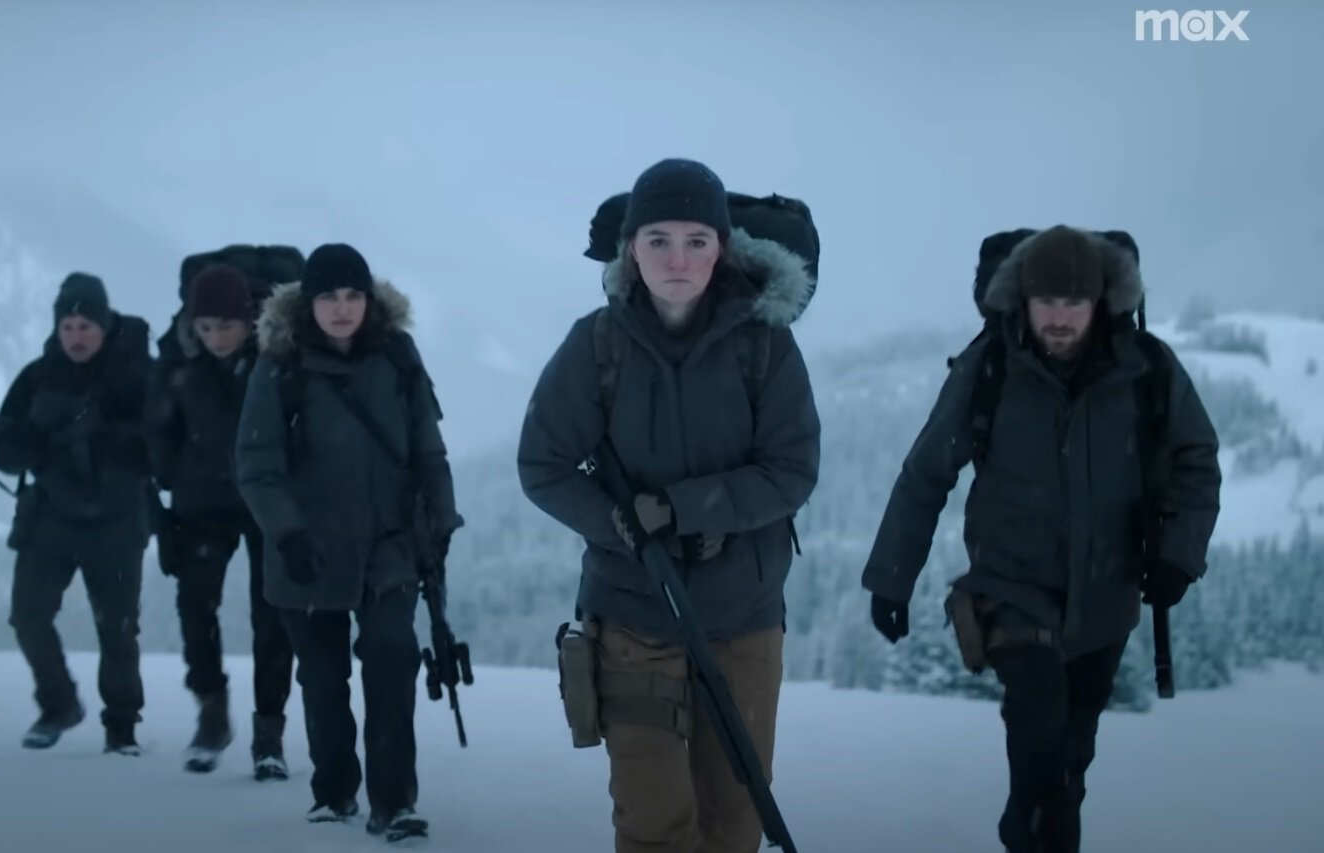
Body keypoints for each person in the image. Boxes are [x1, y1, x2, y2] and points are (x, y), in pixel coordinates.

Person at [860, 224, 1222, 852]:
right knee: (1040, 746)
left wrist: (1178, 557)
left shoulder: (1147, 368)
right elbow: (926, 473)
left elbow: (1197, 460)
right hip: (1011, 593)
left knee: (1068, 764)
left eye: (1073, 302)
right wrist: (891, 580)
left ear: (1099, 301)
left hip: (1107, 599)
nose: (1059, 318)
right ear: (1022, 300)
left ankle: (1031, 830)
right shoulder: (992, 365)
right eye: (1046, 301)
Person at [516, 158, 822, 853]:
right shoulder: (596, 343)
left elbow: (791, 470)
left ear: (722, 247)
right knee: (652, 821)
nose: (677, 259)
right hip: (632, 613)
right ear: (631, 249)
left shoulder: (765, 345)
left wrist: (679, 508)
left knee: (732, 820)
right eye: (658, 240)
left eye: (695, 240)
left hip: (742, 618)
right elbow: (543, 465)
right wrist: (621, 525)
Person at [236, 242, 462, 843]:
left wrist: (442, 521)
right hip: (306, 548)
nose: (342, 308)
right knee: (322, 676)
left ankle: (394, 802)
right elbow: (257, 465)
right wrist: (286, 531)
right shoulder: (280, 365)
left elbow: (427, 447)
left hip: (389, 543)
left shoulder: (397, 356)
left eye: (353, 295)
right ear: (308, 303)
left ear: (369, 299)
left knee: (392, 662)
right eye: (330, 297)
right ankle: (333, 793)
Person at [0, 272, 155, 755]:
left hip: (118, 519)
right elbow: (3, 453)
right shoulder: (38, 378)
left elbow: (163, 445)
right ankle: (58, 704)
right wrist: (38, 433)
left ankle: (121, 729)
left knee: (117, 629)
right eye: (68, 327)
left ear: (105, 325)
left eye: (86, 326)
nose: (76, 336)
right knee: (27, 615)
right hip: (53, 517)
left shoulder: (137, 375)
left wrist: (109, 435)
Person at [146, 262, 295, 779]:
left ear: (248, 318)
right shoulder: (179, 361)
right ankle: (212, 712)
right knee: (195, 610)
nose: (215, 337)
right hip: (200, 505)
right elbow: (156, 436)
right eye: (205, 327)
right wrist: (163, 506)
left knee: (272, 617)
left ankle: (269, 733)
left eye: (225, 326)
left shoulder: (274, 357)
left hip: (265, 502)